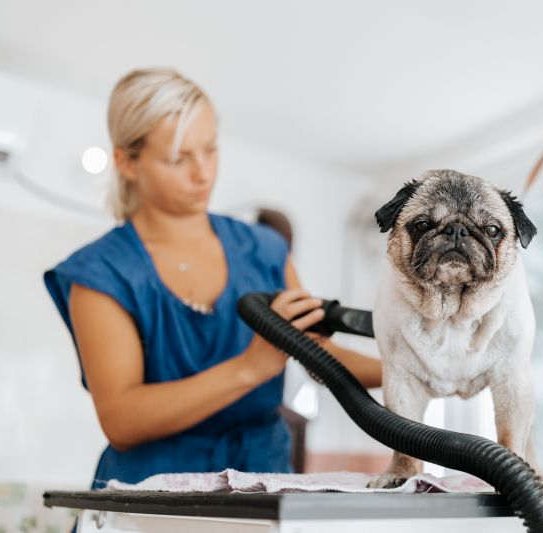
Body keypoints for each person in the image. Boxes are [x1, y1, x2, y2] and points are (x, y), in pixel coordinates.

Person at [44, 68, 382, 488]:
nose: (202, 173)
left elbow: (319, 355)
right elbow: (121, 420)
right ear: (127, 162)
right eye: (178, 159)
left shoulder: (264, 249)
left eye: (210, 149)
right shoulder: (102, 271)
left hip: (262, 483)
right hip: (150, 497)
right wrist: (249, 368)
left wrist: (424, 372)